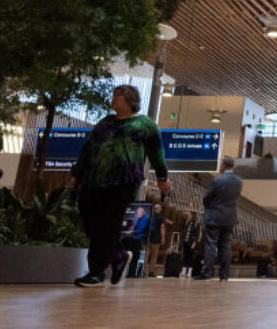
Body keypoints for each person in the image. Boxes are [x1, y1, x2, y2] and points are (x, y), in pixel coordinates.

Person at [69, 84, 170, 287]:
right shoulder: (105, 122)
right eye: (114, 95)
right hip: (94, 178)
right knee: (89, 221)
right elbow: (89, 148)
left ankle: (96, 273)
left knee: (108, 224)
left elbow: (157, 152)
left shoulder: (145, 124)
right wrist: (76, 173)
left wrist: (162, 177)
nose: (114, 99)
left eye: (119, 96)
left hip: (123, 181)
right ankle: (119, 256)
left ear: (131, 100)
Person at [196, 156, 243, 281]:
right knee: (226, 245)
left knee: (211, 244)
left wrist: (208, 206)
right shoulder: (239, 181)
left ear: (223, 166)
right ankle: (224, 276)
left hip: (215, 216)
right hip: (230, 218)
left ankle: (206, 273)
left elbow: (207, 198)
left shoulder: (217, 181)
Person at [145, 202, 167, 276]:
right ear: (160, 210)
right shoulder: (161, 217)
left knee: (146, 256)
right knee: (154, 256)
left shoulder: (149, 215)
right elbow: (162, 228)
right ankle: (151, 272)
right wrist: (163, 238)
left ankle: (144, 271)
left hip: (147, 238)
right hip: (156, 239)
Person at [181, 211, 203, 279]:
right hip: (186, 241)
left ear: (192, 215)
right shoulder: (187, 222)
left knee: (190, 257)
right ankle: (183, 271)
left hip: (191, 242)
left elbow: (197, 235)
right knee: (185, 256)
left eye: (189, 214)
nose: (188, 215)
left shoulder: (196, 223)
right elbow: (184, 231)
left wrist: (194, 242)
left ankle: (189, 272)